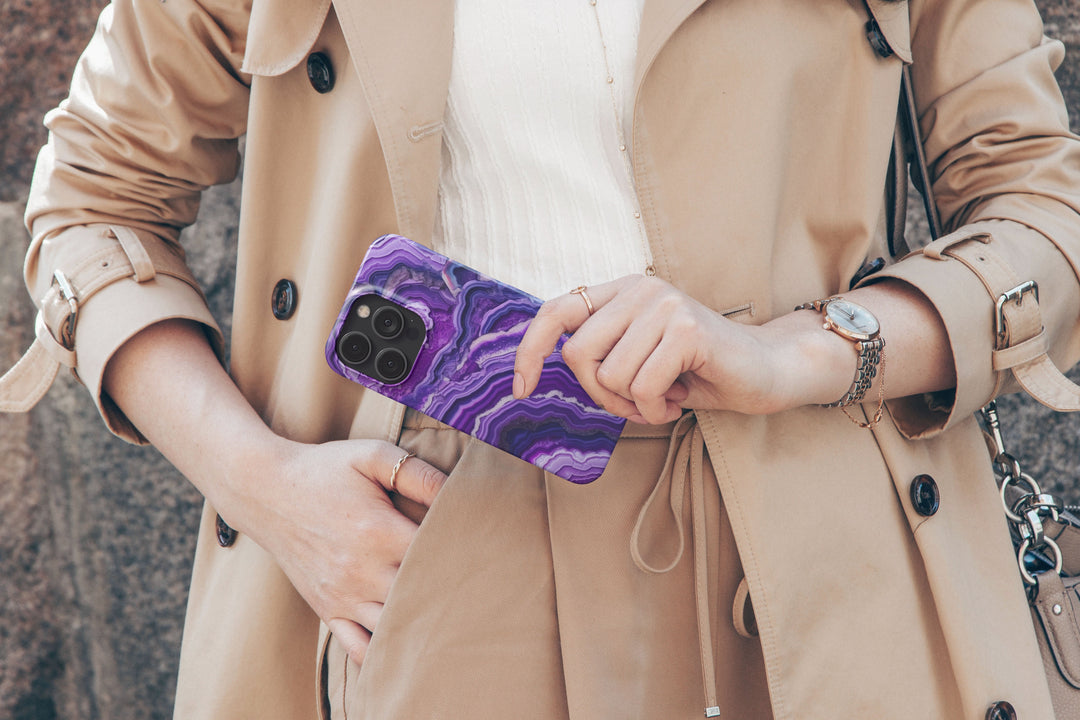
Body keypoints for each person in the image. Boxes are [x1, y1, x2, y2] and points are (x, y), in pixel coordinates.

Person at [3, 0, 1079, 717]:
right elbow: (93, 201)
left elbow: (1042, 195)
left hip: (819, 560)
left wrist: (800, 352)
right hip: (418, 553)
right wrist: (271, 491)